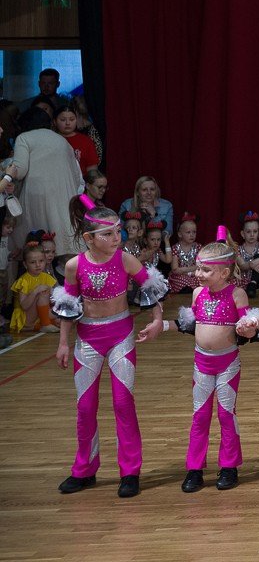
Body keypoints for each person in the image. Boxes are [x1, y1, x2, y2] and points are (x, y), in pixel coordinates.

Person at [53, 197, 167, 497]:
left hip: (120, 337)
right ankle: (84, 470)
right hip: (88, 339)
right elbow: (68, 306)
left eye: (118, 231)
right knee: (85, 406)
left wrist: (157, 320)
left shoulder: (125, 260)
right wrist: (63, 342)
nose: (117, 238)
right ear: (89, 238)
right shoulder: (74, 266)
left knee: (122, 403)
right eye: (108, 234)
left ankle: (130, 471)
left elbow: (151, 287)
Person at [176, 227, 259, 492]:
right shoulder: (197, 294)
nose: (198, 274)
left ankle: (229, 466)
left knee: (226, 414)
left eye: (205, 270)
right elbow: (190, 324)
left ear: (224, 273)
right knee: (199, 416)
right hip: (201, 365)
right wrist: (165, 325)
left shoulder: (237, 295)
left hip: (227, 365)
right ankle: (194, 469)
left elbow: (249, 326)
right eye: (198, 269)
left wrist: (249, 328)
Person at [3, 107, 83, 257]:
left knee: (36, 247)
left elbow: (20, 170)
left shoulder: (24, 138)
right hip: (64, 195)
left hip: (37, 195)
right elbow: (76, 175)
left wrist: (6, 170)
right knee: (65, 246)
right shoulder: (62, 140)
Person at [10, 244, 56, 333]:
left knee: (62, 314)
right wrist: (35, 291)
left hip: (38, 315)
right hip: (25, 318)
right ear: (25, 264)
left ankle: (42, 323)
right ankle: (44, 324)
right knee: (42, 294)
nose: (38, 265)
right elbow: (24, 306)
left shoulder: (47, 277)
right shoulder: (23, 281)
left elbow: (51, 300)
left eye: (41, 261)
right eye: (33, 262)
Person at [169, 212, 202, 291]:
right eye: (188, 232)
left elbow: (200, 265)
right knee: (184, 281)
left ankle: (194, 292)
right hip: (180, 276)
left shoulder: (198, 247)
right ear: (180, 234)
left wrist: (184, 270)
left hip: (194, 274)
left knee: (202, 280)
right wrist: (191, 269)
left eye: (194, 232)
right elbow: (175, 269)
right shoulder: (175, 248)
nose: (192, 235)